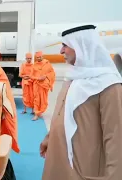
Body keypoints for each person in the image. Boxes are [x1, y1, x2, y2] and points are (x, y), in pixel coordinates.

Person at [41, 25, 122, 180]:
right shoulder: (72, 78)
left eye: (65, 45)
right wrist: (49, 137)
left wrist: (115, 176)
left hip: (84, 167)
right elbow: (62, 115)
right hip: (57, 157)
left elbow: (116, 137)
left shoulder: (110, 86)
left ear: (81, 46)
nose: (61, 51)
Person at [30, 51, 55, 120]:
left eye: (40, 57)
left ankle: (40, 112)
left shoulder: (47, 64)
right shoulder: (34, 65)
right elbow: (31, 76)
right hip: (37, 85)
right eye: (37, 57)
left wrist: (46, 76)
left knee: (43, 100)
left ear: (42, 57)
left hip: (44, 85)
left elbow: (52, 73)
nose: (39, 58)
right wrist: (38, 78)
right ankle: (36, 114)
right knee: (36, 99)